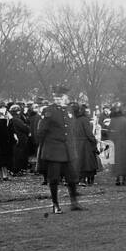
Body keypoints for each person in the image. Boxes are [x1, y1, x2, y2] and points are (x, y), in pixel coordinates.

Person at [37, 84, 84, 213]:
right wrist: (46, 146)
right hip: (54, 150)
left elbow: (71, 129)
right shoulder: (49, 110)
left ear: (65, 97)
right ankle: (55, 204)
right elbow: (41, 131)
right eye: (56, 97)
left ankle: (74, 203)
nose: (58, 99)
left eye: (61, 97)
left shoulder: (69, 110)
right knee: (54, 179)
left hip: (68, 150)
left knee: (72, 178)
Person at [69, 103, 101, 185]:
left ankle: (79, 179)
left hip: (76, 143)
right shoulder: (84, 119)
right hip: (85, 144)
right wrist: (94, 141)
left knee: (79, 162)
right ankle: (85, 180)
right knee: (87, 163)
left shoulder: (74, 119)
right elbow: (89, 133)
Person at [108, 104, 126, 184]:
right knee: (125, 161)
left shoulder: (112, 120)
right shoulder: (124, 120)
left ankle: (117, 179)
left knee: (117, 161)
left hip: (115, 143)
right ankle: (124, 179)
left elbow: (109, 131)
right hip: (125, 143)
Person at [0, 105, 15, 182]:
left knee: (6, 159)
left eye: (4, 108)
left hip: (7, 142)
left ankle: (5, 175)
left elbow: (11, 130)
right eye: (2, 108)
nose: (3, 110)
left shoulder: (9, 118)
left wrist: (13, 138)